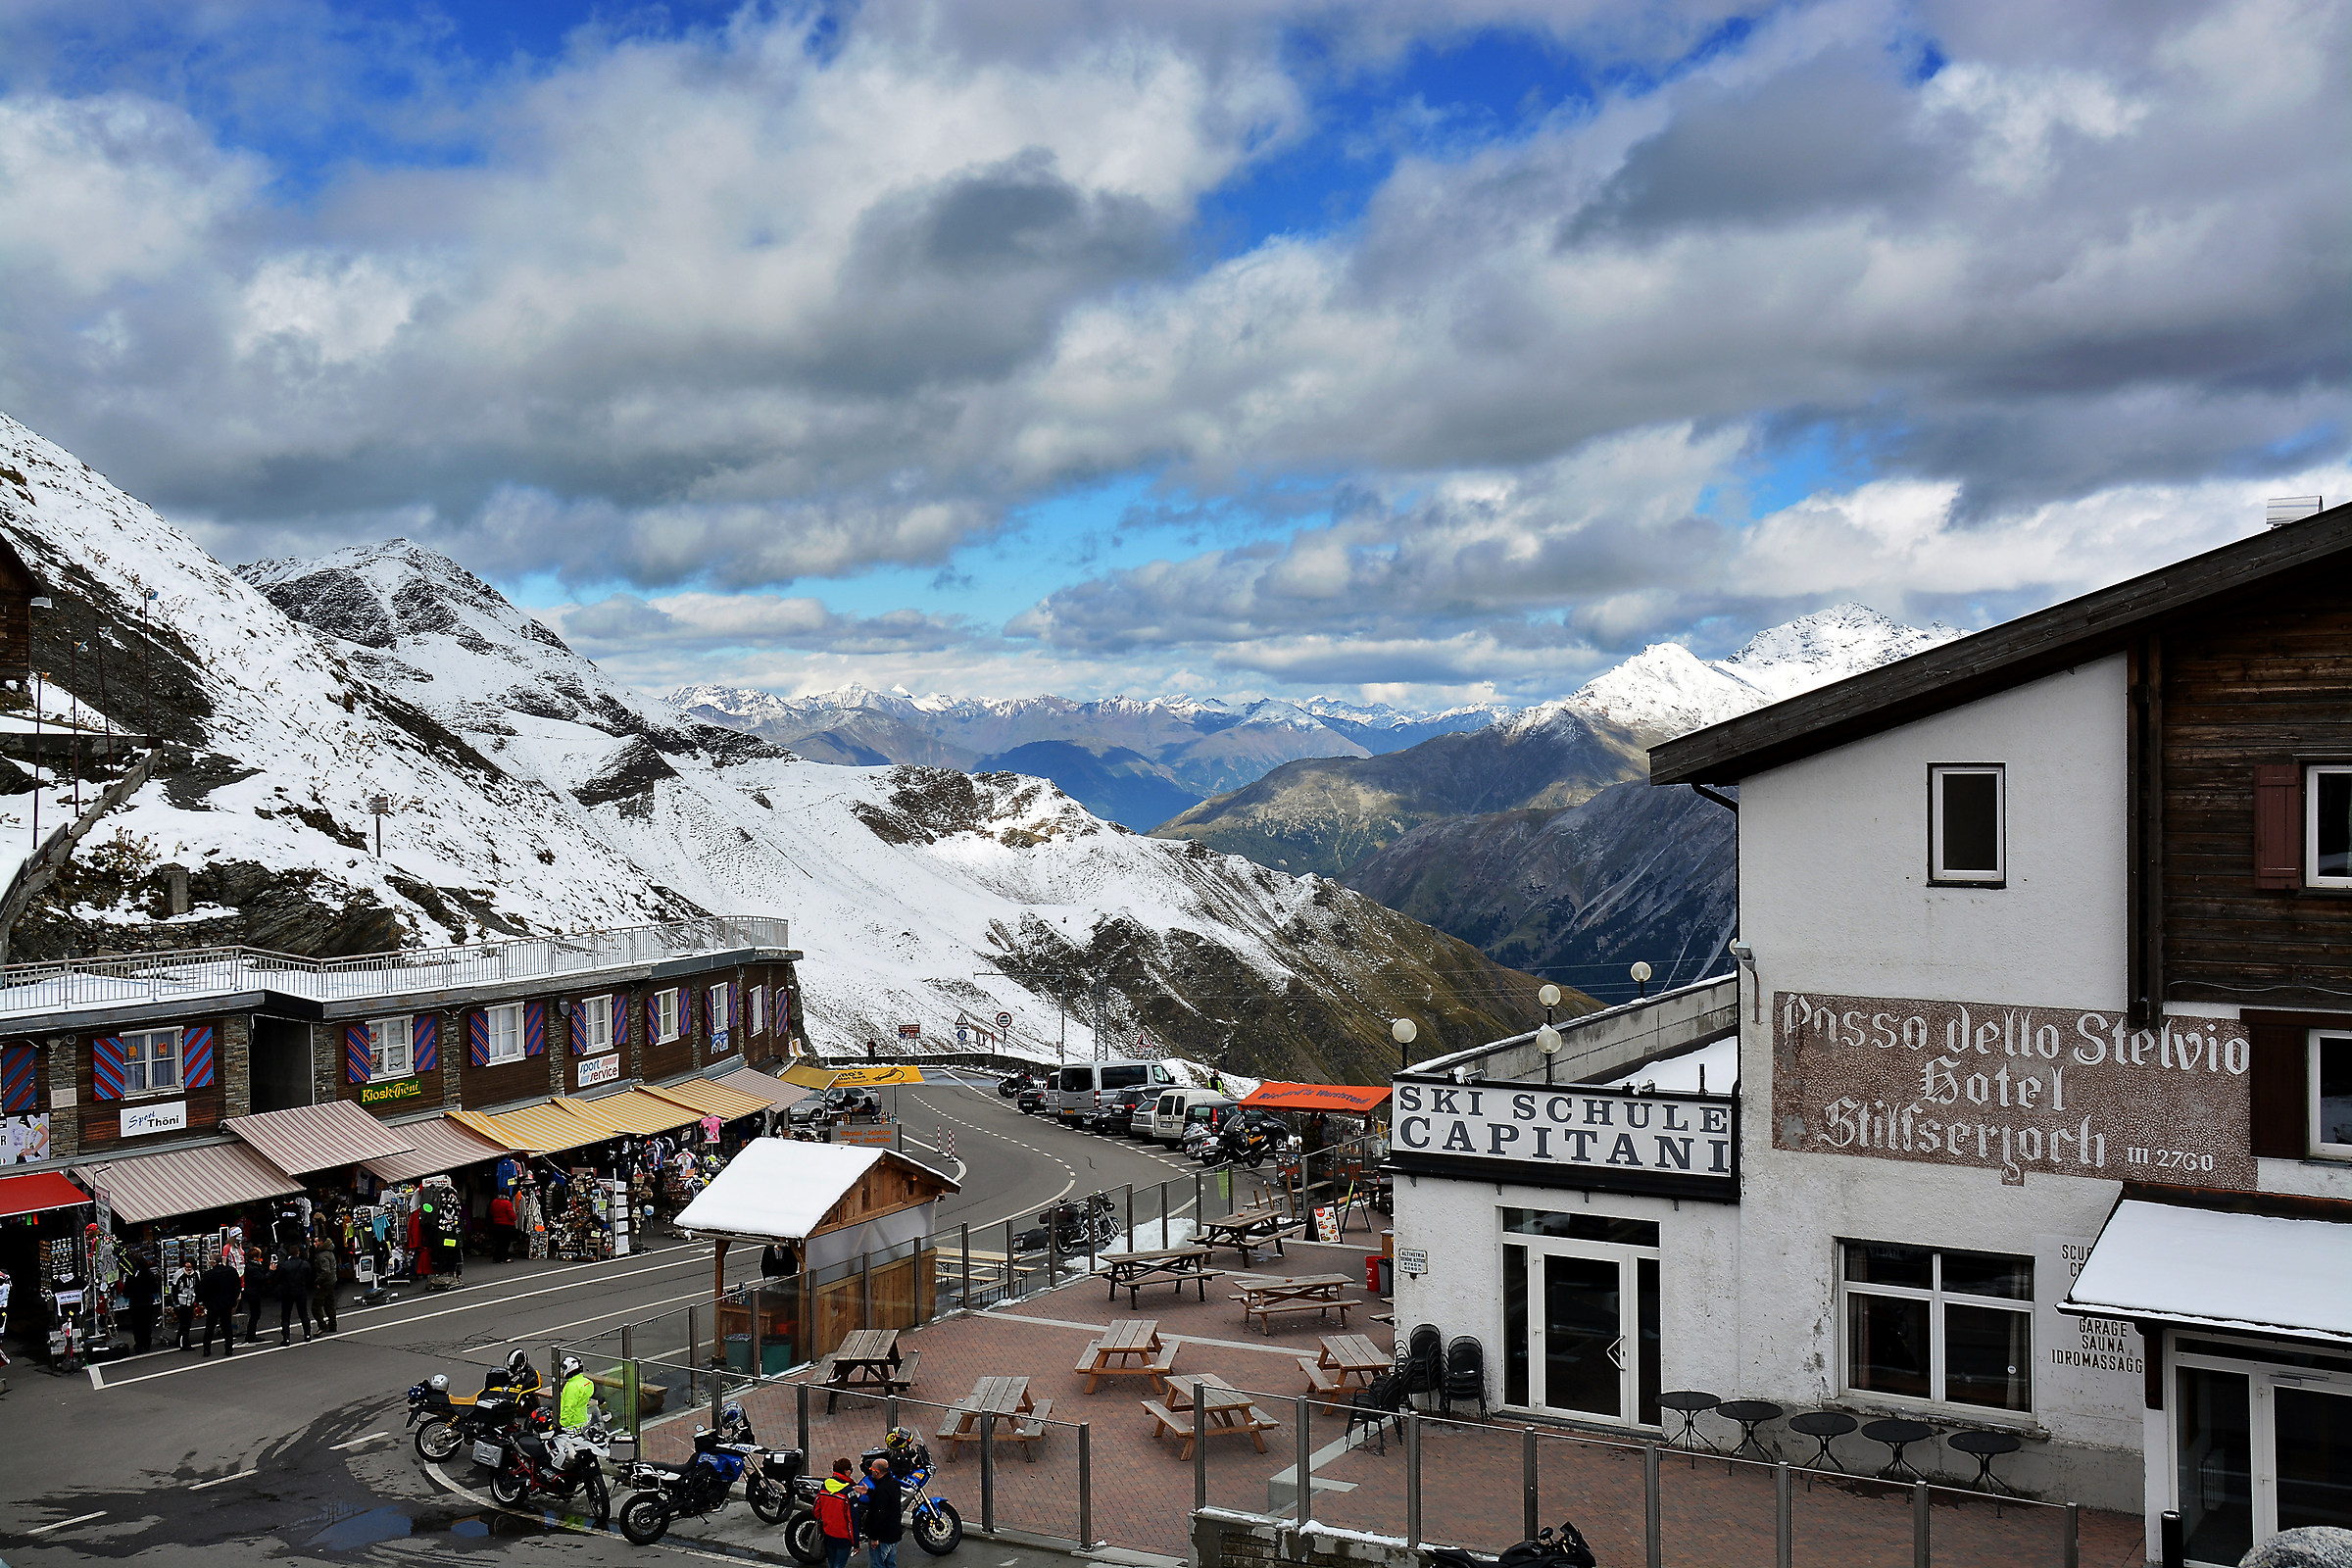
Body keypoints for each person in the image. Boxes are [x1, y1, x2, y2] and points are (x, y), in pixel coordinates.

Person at [813, 1458, 859, 1568]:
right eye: (850, 1470)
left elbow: (816, 1510)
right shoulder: (849, 1492)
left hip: (828, 1533)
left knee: (832, 1563)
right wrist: (856, 1542)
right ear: (846, 1471)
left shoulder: (825, 1486)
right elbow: (853, 1520)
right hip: (843, 1537)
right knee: (839, 1564)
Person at [860, 1453, 905, 1568]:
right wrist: (869, 1492)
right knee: (890, 1563)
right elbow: (886, 1501)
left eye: (872, 1469)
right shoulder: (893, 1483)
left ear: (877, 1472)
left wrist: (875, 1538)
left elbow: (878, 1515)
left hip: (883, 1537)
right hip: (894, 1533)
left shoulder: (881, 1489)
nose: (871, 1471)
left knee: (876, 1564)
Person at [198, 1256, 242, 1357]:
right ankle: (229, 1349)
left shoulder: (209, 1274)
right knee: (227, 1326)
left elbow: (203, 1291)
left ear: (213, 1263)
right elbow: (237, 1287)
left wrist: (206, 1303)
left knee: (210, 1327)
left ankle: (207, 1349)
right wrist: (232, 1300)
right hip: (227, 1304)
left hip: (213, 1305)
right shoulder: (232, 1271)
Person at [275, 1247, 314, 1344]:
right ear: (298, 1253)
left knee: (286, 1315)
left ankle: (286, 1338)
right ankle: (307, 1334)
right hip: (301, 1290)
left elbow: (278, 1278)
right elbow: (309, 1277)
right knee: (303, 1313)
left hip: (288, 1291)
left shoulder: (284, 1265)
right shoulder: (304, 1264)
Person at [124, 1250, 161, 1354]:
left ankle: (139, 1345)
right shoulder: (149, 1274)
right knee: (147, 1324)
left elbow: (126, 1292)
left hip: (135, 1303)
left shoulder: (131, 1276)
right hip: (147, 1302)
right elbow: (154, 1288)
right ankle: (147, 1343)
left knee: (137, 1325)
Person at [242, 1253, 273, 1344]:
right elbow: (262, 1278)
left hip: (252, 1292)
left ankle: (251, 1335)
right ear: (255, 1257)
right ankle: (251, 1336)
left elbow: (261, 1272)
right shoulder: (253, 1268)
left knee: (255, 1314)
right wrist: (271, 1271)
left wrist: (268, 1268)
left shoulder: (251, 1266)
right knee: (255, 1314)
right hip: (253, 1293)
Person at [311, 1237, 340, 1333]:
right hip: (332, 1281)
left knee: (316, 1306)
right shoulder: (329, 1252)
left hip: (326, 1283)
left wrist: (318, 1281)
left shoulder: (322, 1255)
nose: (314, 1244)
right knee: (329, 1304)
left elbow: (326, 1271)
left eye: (316, 1242)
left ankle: (322, 1325)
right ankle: (333, 1325)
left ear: (321, 1242)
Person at [171, 1267, 198, 1350]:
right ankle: (184, 1344)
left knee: (186, 1323)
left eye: (190, 1267)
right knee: (184, 1324)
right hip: (181, 1303)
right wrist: (176, 1304)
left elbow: (198, 1288)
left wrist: (197, 1301)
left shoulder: (196, 1274)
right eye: (187, 1267)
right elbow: (174, 1290)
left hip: (190, 1302)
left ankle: (179, 1341)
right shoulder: (179, 1274)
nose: (188, 1269)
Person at [488, 1191, 517, 1263]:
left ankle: (496, 1258)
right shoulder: (507, 1203)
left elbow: (491, 1212)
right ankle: (504, 1258)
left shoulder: (494, 1202)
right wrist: (515, 1217)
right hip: (507, 1225)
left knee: (498, 1242)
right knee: (505, 1242)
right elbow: (512, 1215)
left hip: (497, 1224)